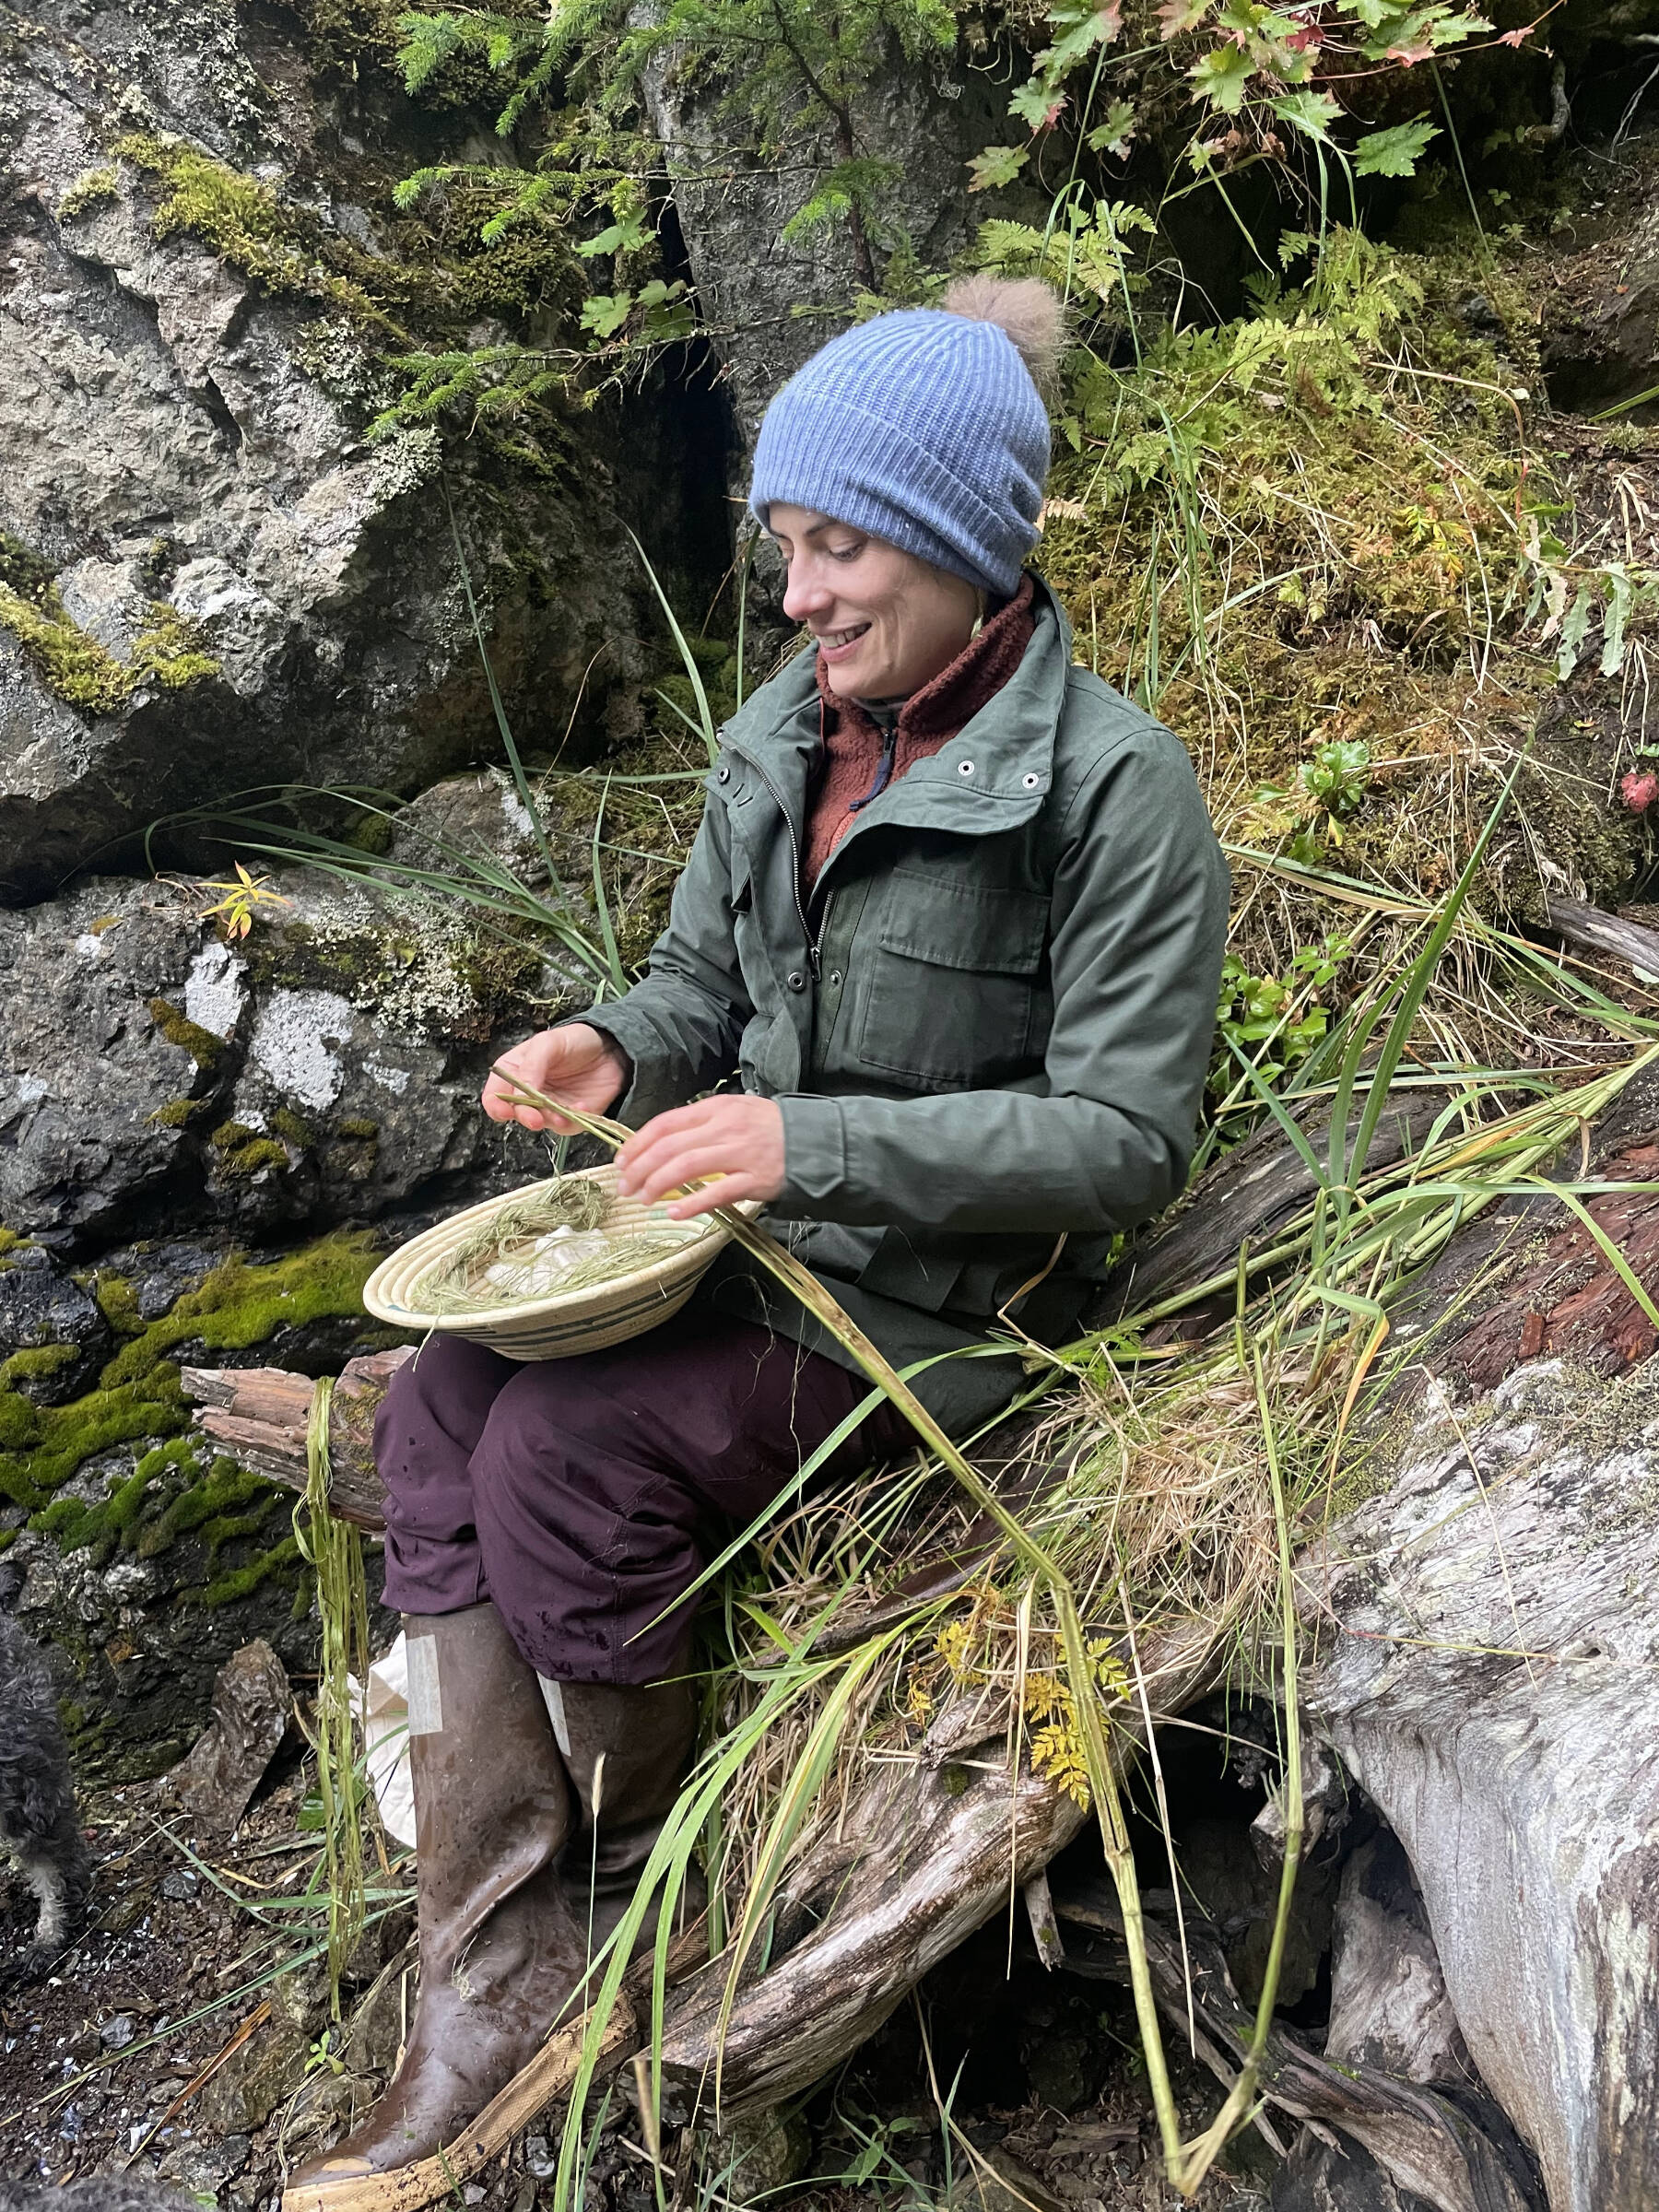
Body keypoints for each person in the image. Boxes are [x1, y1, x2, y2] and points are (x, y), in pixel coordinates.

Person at [292, 276, 1229, 2193]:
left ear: (968, 545)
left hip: (955, 1315)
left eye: (839, 545)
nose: (798, 595)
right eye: (787, 548)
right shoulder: (781, 739)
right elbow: (693, 996)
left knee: (565, 1448)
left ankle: (641, 1922)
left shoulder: (1118, 793)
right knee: (434, 1415)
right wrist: (608, 1050)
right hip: (756, 1261)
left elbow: (1127, 1142)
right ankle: (495, 1967)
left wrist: (809, 1148)